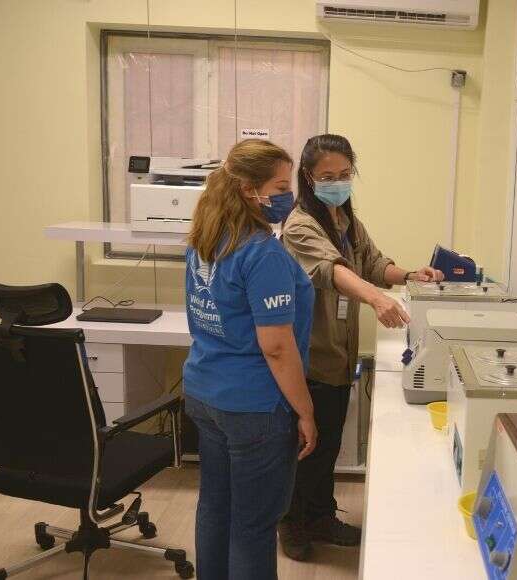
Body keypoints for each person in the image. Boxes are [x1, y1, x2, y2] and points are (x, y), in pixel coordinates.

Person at [278, 134, 444, 560]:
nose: (338, 182)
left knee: (328, 443)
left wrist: (410, 275)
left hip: (338, 355)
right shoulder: (300, 225)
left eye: (345, 174)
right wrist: (375, 297)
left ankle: (319, 515)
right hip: (311, 356)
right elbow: (331, 270)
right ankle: (292, 525)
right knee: (307, 447)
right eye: (328, 177)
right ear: (309, 178)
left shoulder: (344, 218)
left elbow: (372, 263)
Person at [182, 139, 317, 579]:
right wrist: (306, 411)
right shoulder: (263, 253)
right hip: (255, 408)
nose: (287, 195)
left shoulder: (204, 239)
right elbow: (277, 347)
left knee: (216, 509)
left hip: (206, 395)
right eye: (280, 186)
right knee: (254, 525)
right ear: (248, 190)